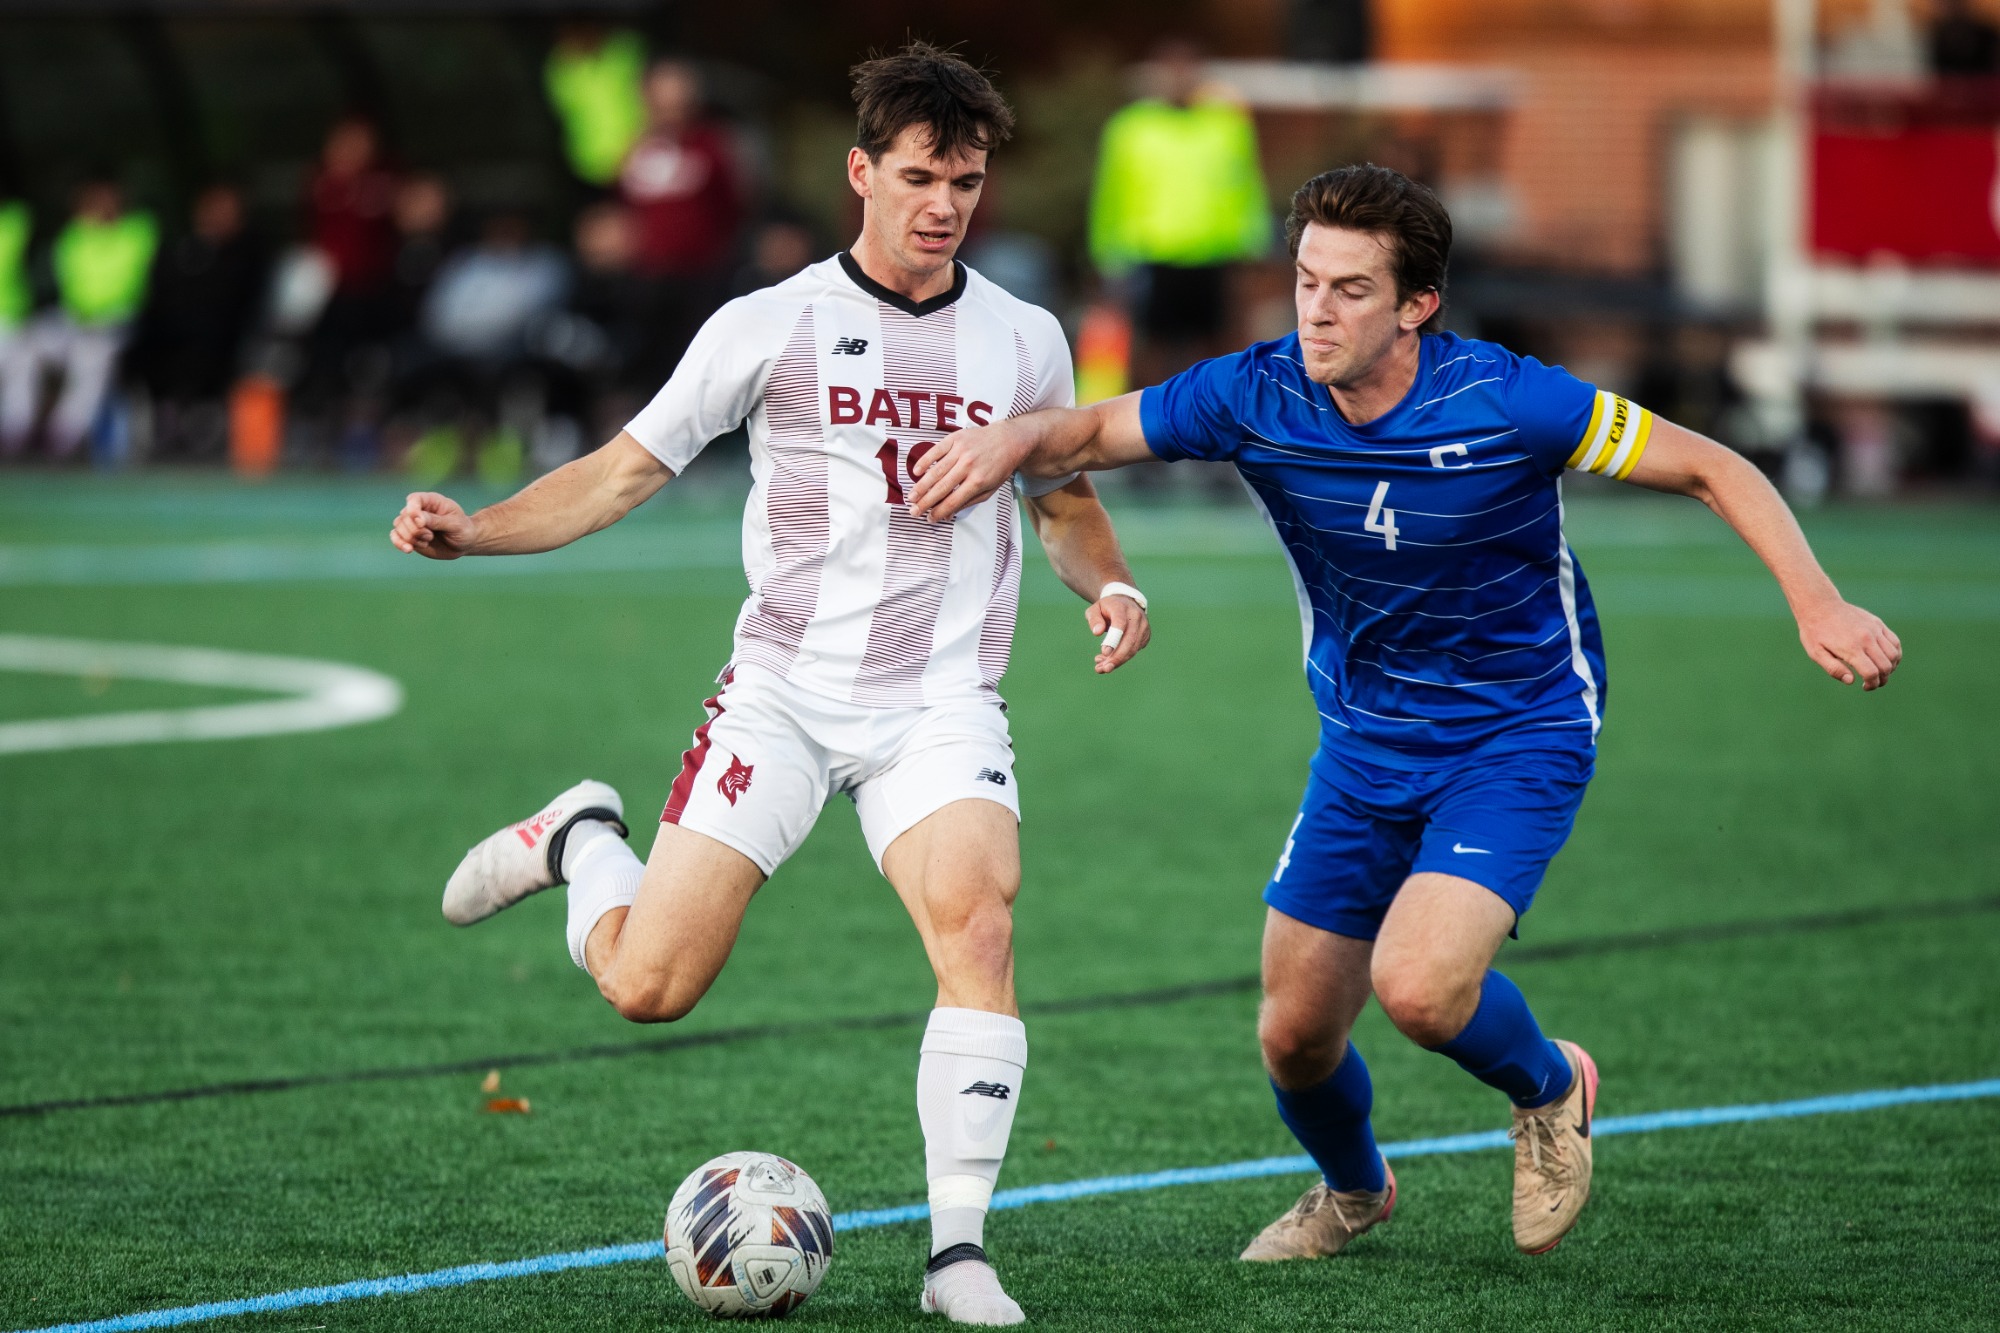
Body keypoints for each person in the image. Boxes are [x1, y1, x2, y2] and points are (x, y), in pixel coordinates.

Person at [908, 163, 1903, 1260]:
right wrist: (1005, 443)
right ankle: (1354, 1189)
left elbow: (1711, 466)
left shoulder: (1509, 399)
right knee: (1292, 1036)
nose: (1314, 311)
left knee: (1421, 987)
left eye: (1347, 290)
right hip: (1361, 740)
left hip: (1514, 730)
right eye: (1303, 281)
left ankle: (1550, 1083)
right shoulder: (1257, 391)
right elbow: (1091, 434)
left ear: (1415, 305)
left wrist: (1815, 599)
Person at [388, 43, 1152, 1324]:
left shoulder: (1021, 338)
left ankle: (957, 1254)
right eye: (917, 176)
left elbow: (1063, 499)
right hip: (784, 697)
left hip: (937, 703)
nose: (943, 205)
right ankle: (579, 839)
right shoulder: (768, 324)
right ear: (860, 173)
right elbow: (624, 470)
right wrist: (478, 529)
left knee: (977, 925)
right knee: (647, 986)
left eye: (965, 180)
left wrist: (1112, 586)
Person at [1088, 39, 1269, 383]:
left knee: (1218, 351)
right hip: (1152, 254)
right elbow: (1109, 193)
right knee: (1150, 351)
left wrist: (1254, 243)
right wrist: (1106, 255)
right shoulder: (1129, 128)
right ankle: (1144, 428)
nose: (1178, 78)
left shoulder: (1226, 125)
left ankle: (1215, 426)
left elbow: (1247, 185)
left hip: (1215, 254)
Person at [0, 175, 157, 460]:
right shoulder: (73, 237)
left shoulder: (138, 232)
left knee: (91, 357)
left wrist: (95, 315)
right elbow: (69, 288)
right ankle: (15, 429)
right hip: (75, 319)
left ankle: (63, 436)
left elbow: (131, 285)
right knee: (26, 347)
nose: (99, 206)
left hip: (116, 320)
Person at [619, 58, 744, 381]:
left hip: (703, 277)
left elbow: (735, 203)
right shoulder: (636, 148)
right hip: (646, 279)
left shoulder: (713, 145)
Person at [129, 183, 269, 461]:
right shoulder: (182, 250)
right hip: (173, 335)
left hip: (226, 337)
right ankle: (167, 419)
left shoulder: (249, 255)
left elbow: (246, 304)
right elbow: (159, 296)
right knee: (145, 347)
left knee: (203, 349)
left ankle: (198, 422)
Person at [544, 23, 649, 189]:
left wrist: (636, 147)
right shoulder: (559, 65)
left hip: (640, 156)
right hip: (588, 166)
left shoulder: (627, 49)